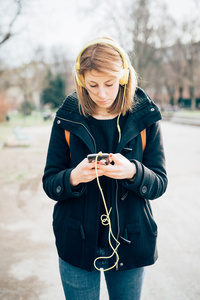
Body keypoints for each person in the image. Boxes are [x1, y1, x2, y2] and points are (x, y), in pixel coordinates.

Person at [42, 37, 168, 300]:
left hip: (131, 242)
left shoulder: (144, 117)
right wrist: (73, 177)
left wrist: (133, 172)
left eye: (109, 84)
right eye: (92, 85)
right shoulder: (67, 117)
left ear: (123, 77)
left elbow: (160, 183)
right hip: (75, 240)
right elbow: (50, 181)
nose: (101, 93)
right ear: (81, 81)